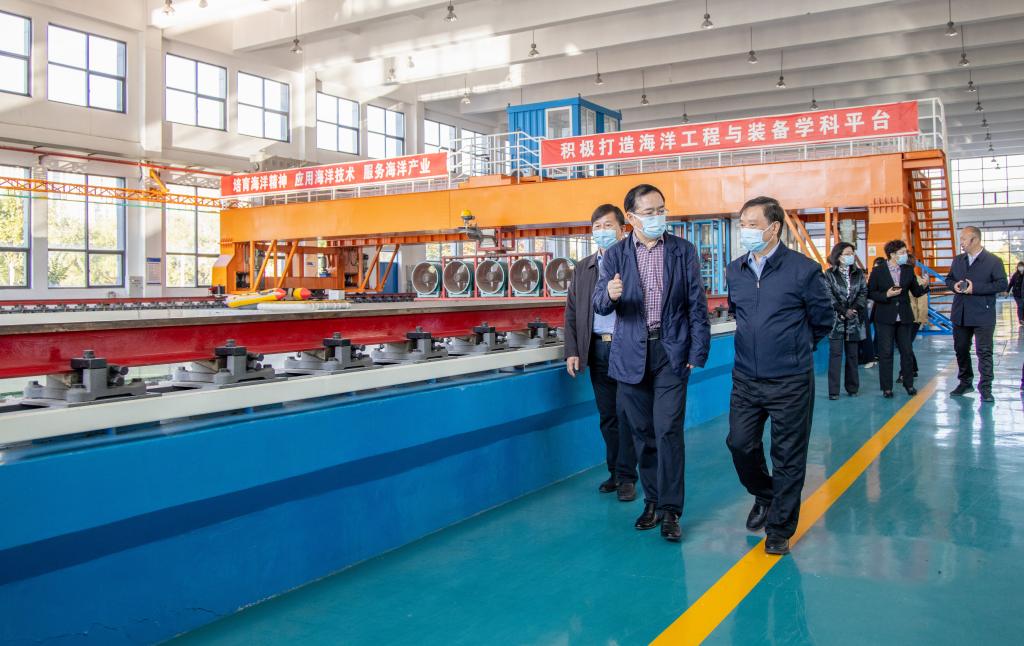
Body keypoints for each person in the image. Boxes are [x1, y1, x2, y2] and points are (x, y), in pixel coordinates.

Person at [593, 184, 711, 542]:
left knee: (668, 430)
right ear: (631, 217)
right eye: (649, 212)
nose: (658, 217)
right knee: (643, 433)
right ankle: (653, 501)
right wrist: (609, 295)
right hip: (630, 355)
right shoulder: (616, 255)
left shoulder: (682, 250)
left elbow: (696, 305)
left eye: (661, 210)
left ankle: (672, 510)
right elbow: (599, 303)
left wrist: (696, 352)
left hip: (670, 353)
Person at [725, 196, 833, 555]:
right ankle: (765, 493)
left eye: (753, 224)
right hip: (746, 378)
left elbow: (823, 319)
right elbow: (738, 312)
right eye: (743, 224)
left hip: (790, 380)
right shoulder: (735, 270)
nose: (745, 230)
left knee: (788, 455)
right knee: (740, 444)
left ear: (774, 228)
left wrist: (794, 348)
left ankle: (779, 528)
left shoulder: (804, 270)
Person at [564, 204, 638, 501]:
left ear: (623, 230)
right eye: (597, 227)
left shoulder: (634, 261)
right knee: (608, 416)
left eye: (608, 226)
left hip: (627, 348)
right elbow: (572, 311)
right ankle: (615, 472)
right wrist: (573, 350)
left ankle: (628, 476)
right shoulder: (584, 268)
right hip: (596, 349)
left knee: (626, 413)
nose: (602, 231)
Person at [945, 226, 1008, 403]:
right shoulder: (958, 260)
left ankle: (986, 388)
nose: (962, 243)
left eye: (964, 239)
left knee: (984, 351)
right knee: (961, 349)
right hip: (961, 313)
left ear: (975, 240)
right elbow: (949, 279)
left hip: (983, 314)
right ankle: (965, 382)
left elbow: (1002, 284)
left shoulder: (993, 261)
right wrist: (953, 285)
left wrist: (976, 289)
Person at [868, 241, 928, 398]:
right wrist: (886, 295)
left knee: (906, 351)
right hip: (884, 318)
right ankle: (886, 388)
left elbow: (916, 292)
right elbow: (871, 292)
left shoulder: (908, 270)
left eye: (905, 252)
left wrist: (925, 285)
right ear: (892, 254)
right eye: (902, 252)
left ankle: (909, 384)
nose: (905, 255)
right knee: (886, 353)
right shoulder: (878, 271)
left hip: (904, 317)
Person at [823, 242, 867, 400]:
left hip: (853, 319)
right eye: (847, 254)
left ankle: (852, 388)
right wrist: (842, 311)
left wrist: (853, 309)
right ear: (838, 256)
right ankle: (833, 391)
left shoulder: (858, 273)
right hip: (836, 320)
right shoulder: (829, 274)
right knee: (835, 355)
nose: (851, 256)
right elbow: (827, 294)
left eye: (852, 253)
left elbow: (863, 292)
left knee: (853, 356)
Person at [907, 254, 930, 378]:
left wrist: (921, 320)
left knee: (906, 345)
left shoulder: (917, 280)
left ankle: (908, 371)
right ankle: (913, 368)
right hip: (905, 317)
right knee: (906, 345)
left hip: (914, 319)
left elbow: (922, 302)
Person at [1009, 260, 1024, 326]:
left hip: (1023, 293)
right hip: (1017, 294)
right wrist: (1007, 291)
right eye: (1019, 266)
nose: (1020, 267)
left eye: (1022, 266)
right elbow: (1011, 283)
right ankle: (1021, 320)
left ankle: (1022, 319)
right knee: (1020, 306)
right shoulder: (1015, 275)